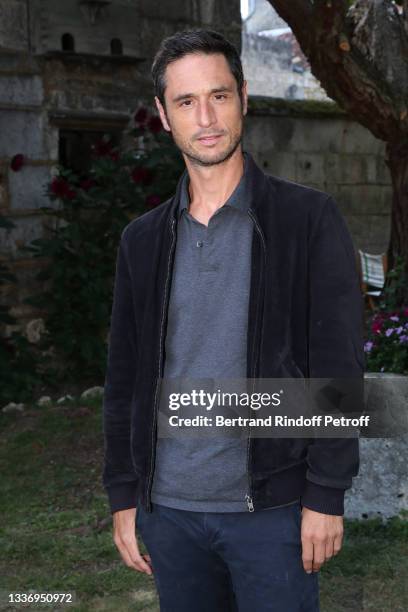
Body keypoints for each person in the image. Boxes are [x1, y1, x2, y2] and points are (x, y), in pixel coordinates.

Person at [102, 28, 365, 612]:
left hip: (272, 512)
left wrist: (325, 494)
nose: (207, 116)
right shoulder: (141, 242)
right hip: (167, 511)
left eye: (219, 95)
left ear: (244, 98)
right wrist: (124, 491)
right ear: (164, 118)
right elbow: (124, 379)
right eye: (186, 102)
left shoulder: (307, 219)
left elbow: (339, 367)